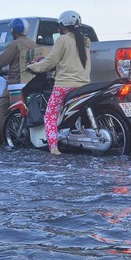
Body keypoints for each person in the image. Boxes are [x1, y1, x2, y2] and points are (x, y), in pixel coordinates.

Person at [25, 10, 91, 155]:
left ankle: (54, 148)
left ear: (62, 25)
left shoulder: (62, 40)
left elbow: (50, 61)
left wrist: (33, 67)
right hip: (84, 84)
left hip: (65, 85)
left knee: (50, 115)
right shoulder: (85, 42)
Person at [0, 18, 36, 135]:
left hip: (15, 83)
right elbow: (19, 64)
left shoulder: (15, 44)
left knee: (1, 111)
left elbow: (1, 61)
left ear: (13, 30)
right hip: (31, 82)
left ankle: (4, 138)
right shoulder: (33, 44)